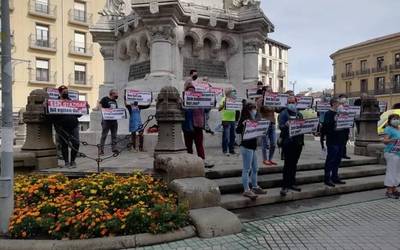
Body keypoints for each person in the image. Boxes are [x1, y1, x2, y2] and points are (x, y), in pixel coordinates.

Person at [236, 102, 267, 199]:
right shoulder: (244, 120)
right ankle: (246, 190)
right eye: (252, 109)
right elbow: (237, 130)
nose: (254, 111)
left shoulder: (255, 119)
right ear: (247, 110)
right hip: (246, 147)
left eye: (255, 109)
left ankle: (255, 186)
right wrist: (243, 124)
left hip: (253, 147)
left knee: (255, 168)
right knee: (246, 169)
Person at [279, 96, 304, 196]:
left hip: (297, 143)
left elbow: (303, 126)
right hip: (288, 142)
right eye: (289, 102)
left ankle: (292, 183)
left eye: (293, 102)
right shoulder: (283, 114)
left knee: (294, 164)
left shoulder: (299, 114)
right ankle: (285, 186)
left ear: (296, 103)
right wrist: (285, 125)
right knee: (287, 165)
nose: (291, 104)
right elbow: (280, 126)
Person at [50, 85, 80, 168]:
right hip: (62, 127)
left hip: (74, 125)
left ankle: (73, 161)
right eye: (64, 92)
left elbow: (79, 115)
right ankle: (67, 162)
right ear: (60, 93)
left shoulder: (72, 102)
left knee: (76, 143)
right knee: (64, 145)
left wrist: (84, 108)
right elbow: (52, 116)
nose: (66, 93)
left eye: (67, 92)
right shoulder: (54, 103)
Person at [323, 98, 348, 187]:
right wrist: (335, 120)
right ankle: (327, 178)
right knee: (331, 159)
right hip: (332, 140)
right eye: (339, 103)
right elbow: (326, 126)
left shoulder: (340, 113)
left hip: (340, 140)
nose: (340, 105)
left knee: (337, 160)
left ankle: (335, 176)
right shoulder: (328, 114)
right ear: (334, 104)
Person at [182, 84, 208, 164]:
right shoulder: (184, 100)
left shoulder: (199, 99)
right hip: (190, 126)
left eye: (193, 90)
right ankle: (193, 161)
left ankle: (199, 161)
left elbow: (206, 109)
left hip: (195, 126)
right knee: (192, 145)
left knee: (196, 145)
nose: (191, 92)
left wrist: (212, 101)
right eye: (190, 90)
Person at [256, 86, 277, 166]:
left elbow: (277, 109)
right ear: (264, 92)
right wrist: (268, 103)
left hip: (272, 123)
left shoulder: (273, 99)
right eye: (269, 91)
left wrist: (282, 104)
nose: (271, 92)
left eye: (271, 90)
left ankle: (270, 159)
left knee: (274, 143)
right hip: (264, 123)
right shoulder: (260, 100)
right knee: (264, 142)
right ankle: (265, 159)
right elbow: (261, 109)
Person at [383, 114, 400, 199]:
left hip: (398, 153)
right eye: (394, 119)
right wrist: (392, 140)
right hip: (391, 152)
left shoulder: (399, 128)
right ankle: (389, 191)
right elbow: (385, 141)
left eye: (398, 118)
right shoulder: (388, 129)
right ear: (390, 120)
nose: (396, 120)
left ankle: (394, 189)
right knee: (391, 171)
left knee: (397, 172)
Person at [99, 89, 119, 155]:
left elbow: (116, 110)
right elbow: (100, 105)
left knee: (114, 135)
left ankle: (114, 148)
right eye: (116, 94)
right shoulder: (105, 99)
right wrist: (102, 112)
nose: (117, 95)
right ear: (112, 94)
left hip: (114, 121)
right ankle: (101, 150)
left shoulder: (115, 101)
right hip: (106, 121)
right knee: (104, 135)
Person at [218, 88, 237, 156]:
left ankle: (231, 150)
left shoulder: (234, 99)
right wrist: (224, 104)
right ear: (228, 93)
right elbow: (219, 109)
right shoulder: (223, 99)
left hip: (233, 119)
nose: (232, 93)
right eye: (231, 92)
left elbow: (237, 108)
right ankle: (225, 150)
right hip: (226, 120)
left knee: (233, 136)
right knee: (226, 136)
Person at [338, 94, 351, 159]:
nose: (345, 99)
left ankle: (344, 154)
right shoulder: (339, 106)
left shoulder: (347, 106)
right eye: (343, 98)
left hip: (346, 125)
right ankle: (340, 153)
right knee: (341, 140)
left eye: (345, 98)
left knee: (345, 140)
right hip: (341, 126)